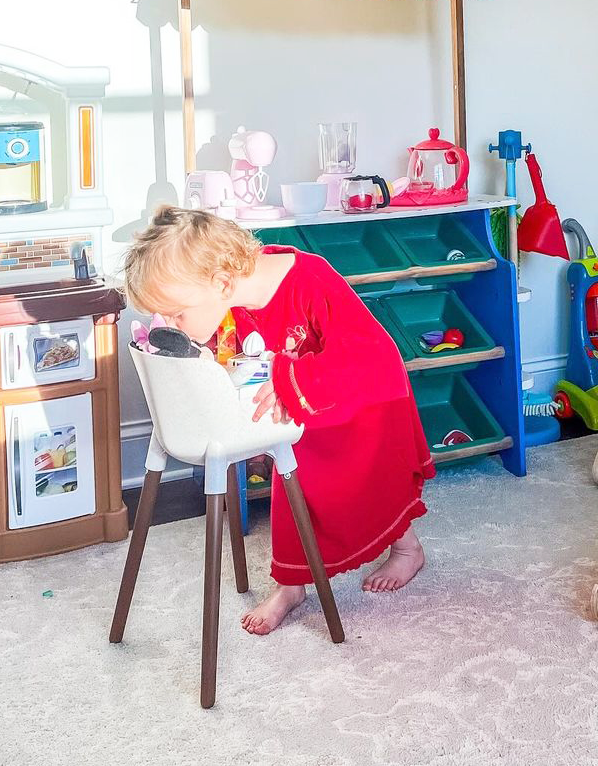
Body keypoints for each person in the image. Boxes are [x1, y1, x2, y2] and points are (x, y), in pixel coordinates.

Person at [123, 206, 434, 634]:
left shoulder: (311, 280)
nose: (172, 324)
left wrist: (293, 378)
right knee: (294, 490)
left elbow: (371, 355)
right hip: (305, 413)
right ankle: (290, 584)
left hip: (363, 404)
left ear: (221, 282)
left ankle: (407, 548)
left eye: (177, 314)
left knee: (374, 484)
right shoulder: (232, 294)